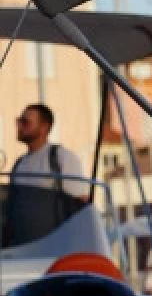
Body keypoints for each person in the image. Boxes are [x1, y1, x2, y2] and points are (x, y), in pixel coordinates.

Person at [2, 104, 89, 247]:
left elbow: (80, 202)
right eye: (18, 121)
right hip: (22, 247)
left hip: (54, 246)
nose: (19, 126)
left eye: (25, 122)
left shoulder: (60, 158)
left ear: (44, 127)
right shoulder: (19, 164)